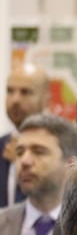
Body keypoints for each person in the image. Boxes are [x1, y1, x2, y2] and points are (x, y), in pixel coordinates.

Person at [1, 62, 50, 206]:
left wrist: (23, 163)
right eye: (10, 91)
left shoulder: (67, 147)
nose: (15, 100)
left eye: (25, 92)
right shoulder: (2, 145)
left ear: (46, 100)